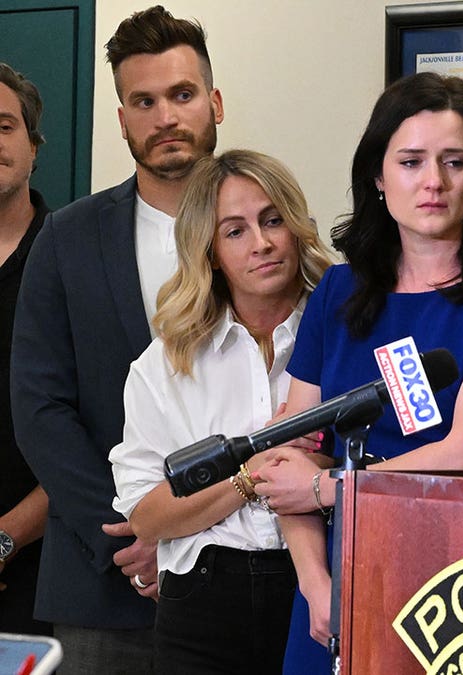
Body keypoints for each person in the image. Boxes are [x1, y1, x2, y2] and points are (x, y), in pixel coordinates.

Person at [251, 71, 463, 672]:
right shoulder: (337, 291)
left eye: (455, 162)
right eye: (412, 161)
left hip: (459, 588)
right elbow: (286, 455)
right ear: (378, 176)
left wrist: (328, 487)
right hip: (330, 583)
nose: (434, 183)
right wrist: (317, 585)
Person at [11, 6, 223, 672]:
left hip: (241, 577)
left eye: (182, 95)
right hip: (102, 584)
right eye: (144, 101)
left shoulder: (264, 233)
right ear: (123, 117)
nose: (164, 116)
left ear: (215, 102)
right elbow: (40, 408)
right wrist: (131, 537)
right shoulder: (66, 240)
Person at [109, 150, 332, 673]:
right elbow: (147, 511)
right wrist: (250, 477)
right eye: (235, 231)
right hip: (204, 599)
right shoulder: (165, 363)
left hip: (321, 583)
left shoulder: (346, 331)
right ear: (208, 252)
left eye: (273, 220)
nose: (262, 243)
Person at [0, 62, 50, 636]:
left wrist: (6, 535)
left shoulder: (71, 262)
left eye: (5, 125)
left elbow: (98, 424)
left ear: (34, 145)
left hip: (45, 564)